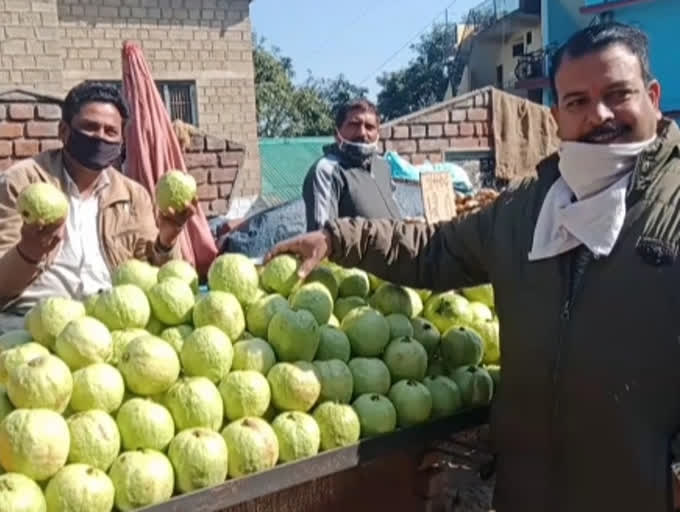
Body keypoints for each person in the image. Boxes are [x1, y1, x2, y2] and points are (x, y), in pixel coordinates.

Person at [268, 23, 680, 512]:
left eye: (618, 94)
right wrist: (338, 237)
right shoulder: (528, 209)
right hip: (529, 493)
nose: (599, 115)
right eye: (578, 102)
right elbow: (434, 247)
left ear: (653, 96)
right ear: (556, 116)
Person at [0, 82, 197, 367]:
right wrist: (28, 251)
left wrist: (167, 239)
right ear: (64, 131)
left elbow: (153, 283)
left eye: (110, 132)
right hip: (27, 318)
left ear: (121, 141)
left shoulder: (134, 195)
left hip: (104, 319)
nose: (100, 137)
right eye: (89, 127)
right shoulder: (22, 184)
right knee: (4, 343)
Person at [302, 99, 402, 231]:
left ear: (378, 134)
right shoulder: (328, 170)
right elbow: (322, 235)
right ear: (337, 133)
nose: (362, 133)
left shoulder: (383, 167)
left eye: (369, 127)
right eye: (354, 125)